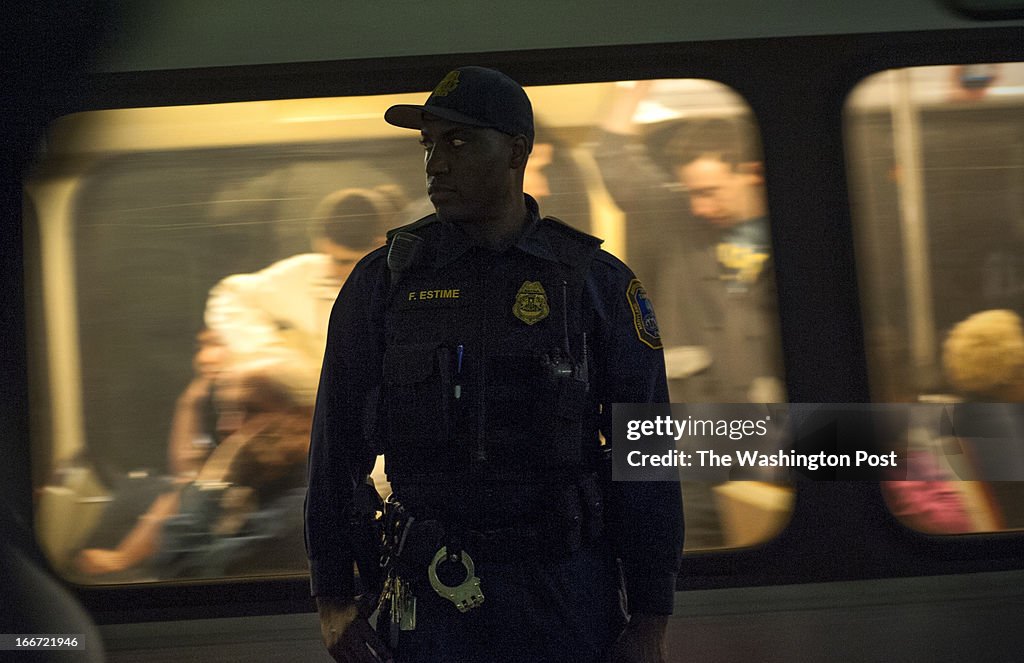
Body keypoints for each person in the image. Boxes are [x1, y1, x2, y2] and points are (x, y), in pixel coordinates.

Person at [306, 66, 683, 663]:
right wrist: (333, 597)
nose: (436, 164)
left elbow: (650, 452)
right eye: (429, 144)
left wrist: (650, 617)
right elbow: (335, 446)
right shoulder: (385, 284)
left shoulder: (592, 284)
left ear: (515, 152)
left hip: (564, 588)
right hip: (429, 589)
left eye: (458, 142)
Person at [594, 81, 784, 405]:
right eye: (692, 193)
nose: (698, 207)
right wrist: (635, 83)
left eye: (709, 191)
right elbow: (612, 157)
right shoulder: (678, 222)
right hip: (694, 427)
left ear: (753, 174)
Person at [205, 185, 405, 391]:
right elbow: (232, 294)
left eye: (347, 261)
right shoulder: (306, 273)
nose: (335, 270)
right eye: (332, 258)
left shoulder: (400, 294)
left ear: (380, 248)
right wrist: (272, 357)